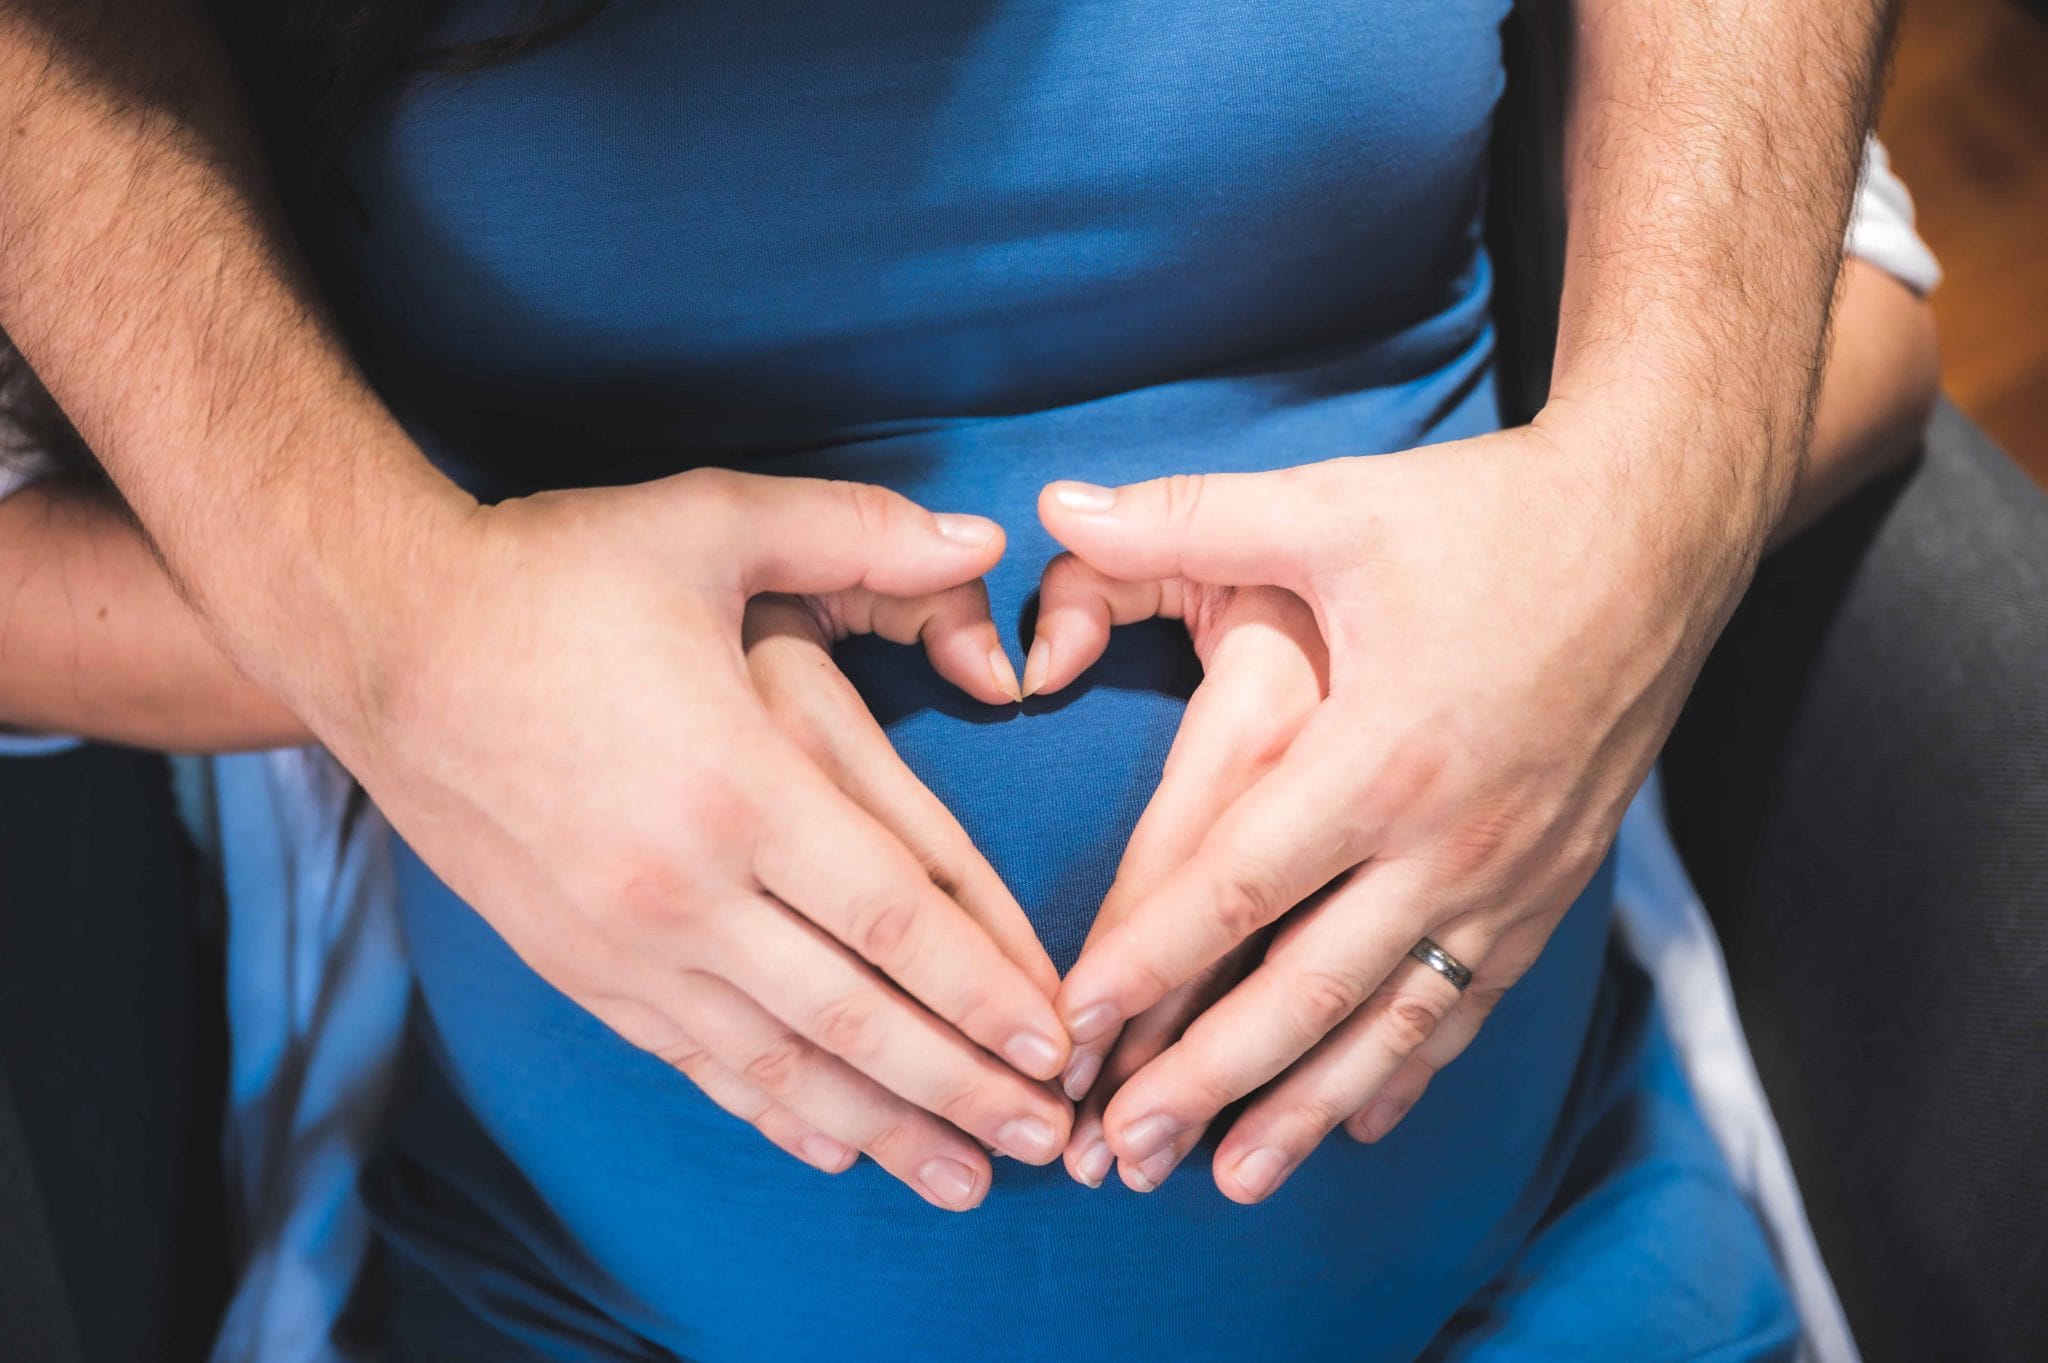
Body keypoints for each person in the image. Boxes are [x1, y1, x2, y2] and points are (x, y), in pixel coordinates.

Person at [0, 1, 1906, 1358]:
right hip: (586, 1313)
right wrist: (402, 650)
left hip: (1543, 1276)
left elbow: (1864, 295)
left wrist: (1631, 537)